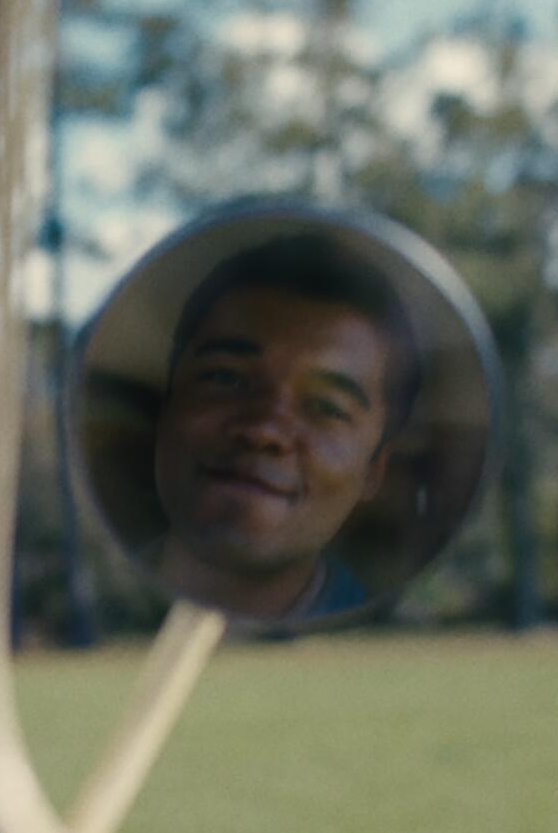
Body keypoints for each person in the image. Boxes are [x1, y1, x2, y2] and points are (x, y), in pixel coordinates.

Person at [151, 235, 421, 620]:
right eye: (226, 378)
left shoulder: (382, 647)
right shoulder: (100, 602)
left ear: (374, 471)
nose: (264, 431)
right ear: (167, 404)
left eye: (326, 407)